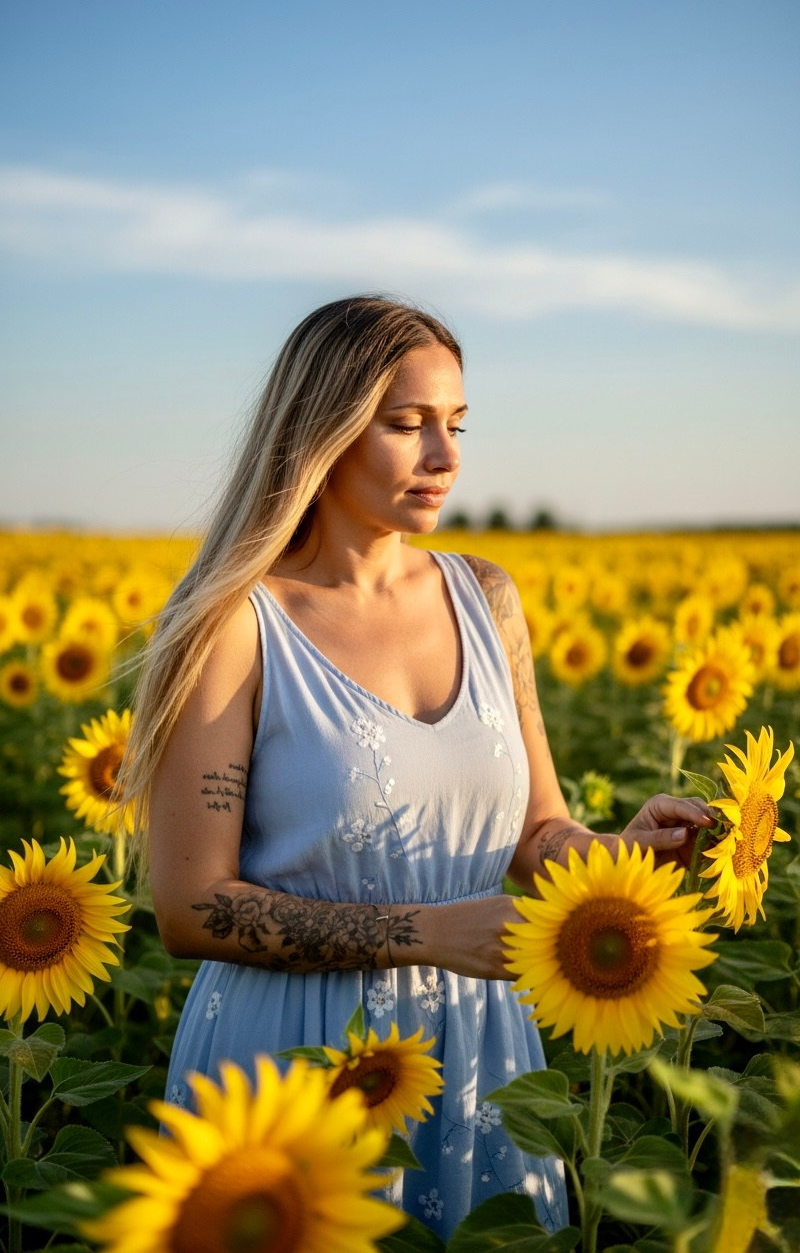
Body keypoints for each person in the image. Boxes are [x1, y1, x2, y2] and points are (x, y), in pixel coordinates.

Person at [124, 294, 713, 1239]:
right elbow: (191, 908)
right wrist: (423, 933)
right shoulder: (236, 621)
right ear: (321, 435)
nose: (447, 457)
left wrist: (617, 857)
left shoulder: (486, 598)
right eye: (408, 426)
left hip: (482, 1051)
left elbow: (532, 835)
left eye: (456, 424)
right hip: (298, 1060)